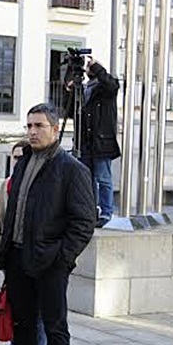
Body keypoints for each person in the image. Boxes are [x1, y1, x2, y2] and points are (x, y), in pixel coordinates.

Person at [0, 104, 95, 345]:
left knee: (54, 327)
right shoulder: (23, 164)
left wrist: (62, 259)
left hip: (50, 263)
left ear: (55, 129)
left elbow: (83, 222)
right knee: (22, 323)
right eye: (29, 126)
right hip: (19, 258)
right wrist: (4, 248)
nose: (32, 131)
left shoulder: (71, 169)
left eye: (39, 126)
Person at [0, 140, 47, 345]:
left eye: (23, 157)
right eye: (15, 157)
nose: (18, 161)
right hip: (11, 258)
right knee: (15, 311)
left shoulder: (37, 185)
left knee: (38, 315)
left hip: (36, 260)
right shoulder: (6, 186)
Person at [73, 57, 121, 226]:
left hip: (102, 142)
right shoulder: (85, 89)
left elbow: (111, 84)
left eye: (90, 66)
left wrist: (97, 66)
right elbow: (71, 109)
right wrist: (70, 87)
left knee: (103, 178)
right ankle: (91, 211)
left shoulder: (107, 88)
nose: (88, 68)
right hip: (85, 141)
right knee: (87, 179)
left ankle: (107, 212)